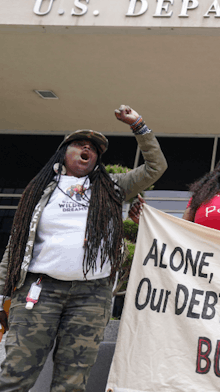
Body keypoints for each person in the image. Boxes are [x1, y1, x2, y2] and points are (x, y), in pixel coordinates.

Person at [0, 105, 167, 391]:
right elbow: (16, 244)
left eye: (93, 149)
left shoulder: (112, 187)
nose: (87, 149)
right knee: (15, 373)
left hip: (91, 295)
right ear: (63, 153)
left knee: (72, 382)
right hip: (39, 290)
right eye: (79, 145)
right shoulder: (39, 190)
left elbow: (155, 167)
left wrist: (138, 125)